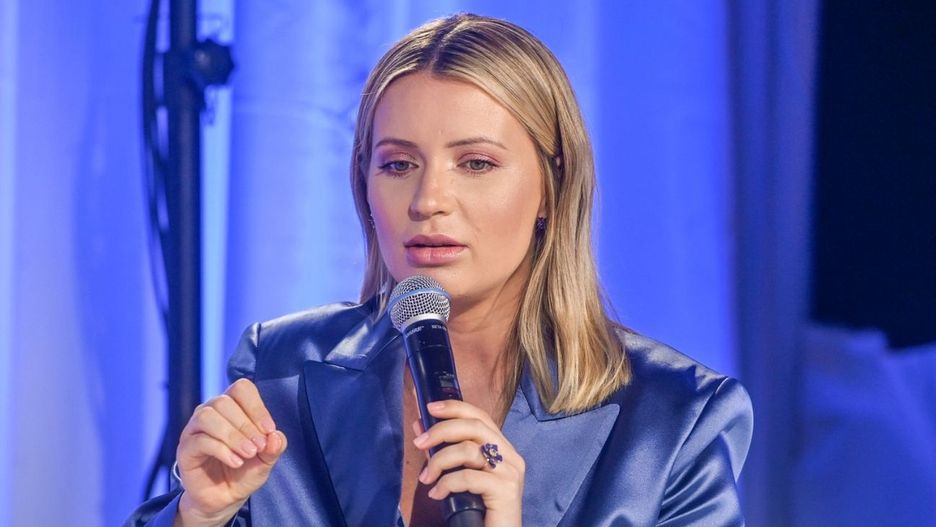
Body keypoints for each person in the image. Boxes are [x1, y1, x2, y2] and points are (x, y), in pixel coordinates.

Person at [126, 13, 753, 527]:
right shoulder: (283, 367)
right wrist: (197, 517)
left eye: (475, 164)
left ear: (552, 187)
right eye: (398, 165)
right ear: (364, 184)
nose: (428, 201)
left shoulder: (676, 420)